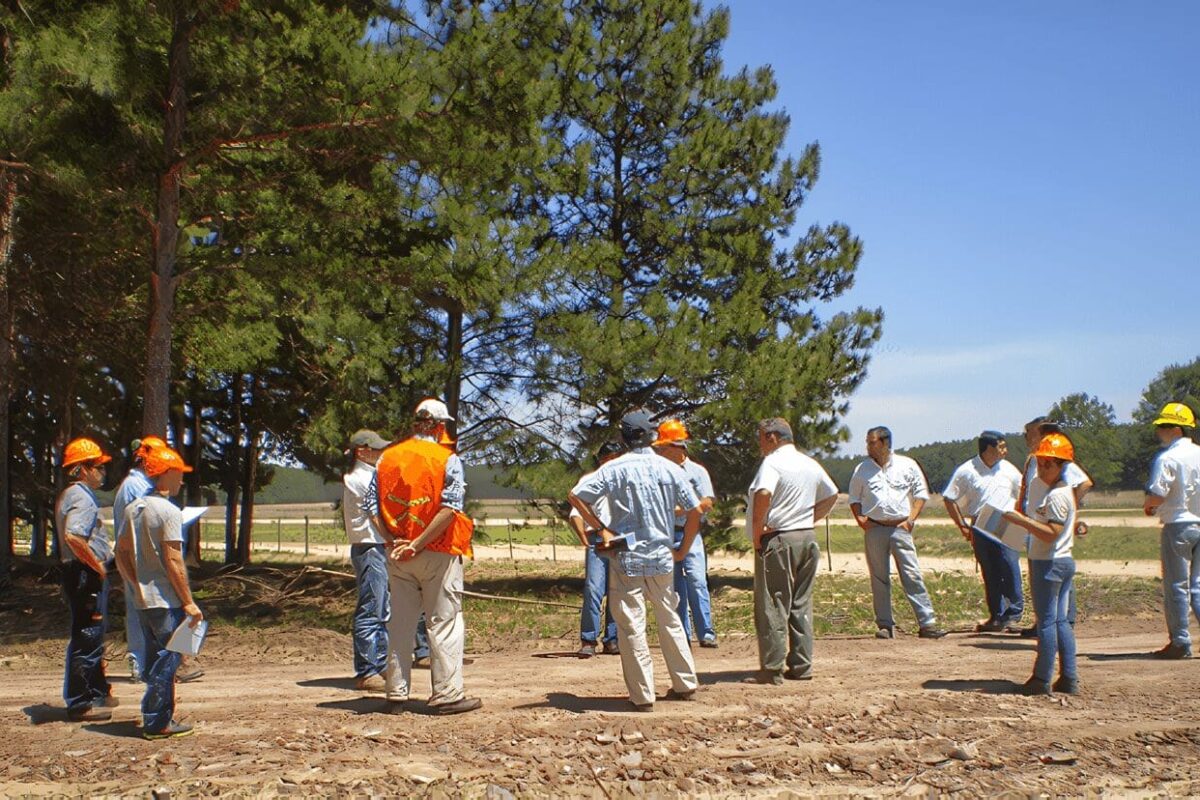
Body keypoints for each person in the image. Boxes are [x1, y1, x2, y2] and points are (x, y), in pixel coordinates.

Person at [568, 408, 702, 712]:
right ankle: (685, 682)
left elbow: (575, 495)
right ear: (651, 435)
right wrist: (682, 550)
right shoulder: (670, 468)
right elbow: (695, 510)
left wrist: (602, 528)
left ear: (624, 436)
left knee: (631, 625)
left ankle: (643, 695)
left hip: (627, 556)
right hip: (662, 555)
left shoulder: (614, 468)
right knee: (669, 618)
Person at [373, 398, 480, 715]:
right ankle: (447, 695)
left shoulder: (386, 459)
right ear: (439, 425)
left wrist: (394, 541)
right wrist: (418, 544)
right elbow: (450, 509)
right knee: (443, 623)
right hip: (437, 552)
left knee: (401, 625)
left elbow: (372, 509)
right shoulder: (447, 459)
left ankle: (396, 694)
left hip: (397, 553)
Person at [113, 444, 203, 738]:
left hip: (143, 600)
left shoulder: (133, 509)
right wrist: (188, 602)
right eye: (178, 474)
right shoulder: (168, 511)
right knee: (170, 658)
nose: (181, 480)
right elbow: (173, 560)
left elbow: (120, 552)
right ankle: (158, 721)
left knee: (155, 657)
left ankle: (156, 717)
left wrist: (132, 582)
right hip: (166, 600)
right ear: (165, 473)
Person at [744, 417, 838, 684]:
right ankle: (801, 665)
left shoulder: (772, 462)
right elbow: (831, 494)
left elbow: (763, 493)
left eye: (761, 438)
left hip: (780, 537)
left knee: (773, 603)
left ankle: (772, 668)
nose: (760, 444)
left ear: (773, 437)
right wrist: (809, 518)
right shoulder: (810, 463)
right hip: (806, 536)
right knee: (801, 603)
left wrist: (758, 529)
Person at [848, 426, 947, 639]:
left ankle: (927, 623)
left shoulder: (907, 465)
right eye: (867, 442)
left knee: (911, 574)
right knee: (879, 578)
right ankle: (885, 625)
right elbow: (854, 498)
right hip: (874, 528)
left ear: (884, 443)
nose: (868, 446)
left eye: (871, 442)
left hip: (901, 528)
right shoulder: (862, 469)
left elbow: (921, 494)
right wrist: (861, 520)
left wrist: (911, 520)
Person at [1002, 433, 1079, 695]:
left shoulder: (1058, 496)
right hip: (1058, 561)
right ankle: (1068, 677)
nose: (1043, 467)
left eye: (1049, 463)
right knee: (1059, 622)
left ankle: (1041, 678)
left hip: (1050, 562)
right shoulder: (1047, 488)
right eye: (1041, 462)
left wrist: (1020, 521)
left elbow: (1051, 532)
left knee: (1047, 622)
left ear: (1061, 466)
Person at [56, 437, 117, 722]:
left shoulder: (70, 494)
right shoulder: (81, 497)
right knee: (87, 636)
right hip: (85, 574)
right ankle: (80, 703)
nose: (102, 472)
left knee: (87, 632)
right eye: (98, 467)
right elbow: (73, 536)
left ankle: (93, 691)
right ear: (82, 469)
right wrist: (98, 567)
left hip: (77, 573)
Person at [1016, 418, 1093, 637]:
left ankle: (1063, 620)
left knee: (1056, 571)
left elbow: (1084, 483)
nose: (1026, 438)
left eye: (1029, 433)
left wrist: (1067, 512)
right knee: (1037, 575)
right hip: (1034, 524)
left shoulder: (1056, 459)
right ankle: (1042, 620)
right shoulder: (1034, 461)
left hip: (1048, 526)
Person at [943, 431, 1024, 632]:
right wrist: (962, 525)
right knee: (990, 572)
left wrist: (1020, 518)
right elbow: (949, 497)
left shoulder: (1009, 469)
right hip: (980, 523)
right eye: (1001, 447)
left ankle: (1013, 614)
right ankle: (996, 616)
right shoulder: (967, 470)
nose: (1005, 451)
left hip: (1006, 521)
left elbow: (1022, 492)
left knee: (1010, 566)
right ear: (988, 448)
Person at [652, 419, 718, 648]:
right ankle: (683, 634)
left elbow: (707, 502)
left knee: (697, 580)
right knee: (675, 587)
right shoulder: (659, 472)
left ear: (677, 447)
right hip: (666, 534)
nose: (659, 451)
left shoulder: (697, 472)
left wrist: (682, 510)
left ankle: (706, 633)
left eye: (663, 447)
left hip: (690, 532)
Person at [1142, 402, 1200, 659]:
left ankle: (1180, 642)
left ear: (1176, 429)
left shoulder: (1167, 458)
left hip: (1178, 524)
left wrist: (1148, 506)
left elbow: (1157, 494)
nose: (1159, 431)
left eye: (1163, 426)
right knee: (1198, 586)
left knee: (1177, 585)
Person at [112, 436, 167, 684]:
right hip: (139, 558)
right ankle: (146, 663)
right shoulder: (137, 487)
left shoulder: (136, 485)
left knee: (144, 609)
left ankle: (147, 662)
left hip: (139, 557)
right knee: (143, 610)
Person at [567, 440, 624, 658]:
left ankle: (612, 639)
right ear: (602, 460)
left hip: (619, 539)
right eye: (610, 458)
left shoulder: (624, 481)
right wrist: (584, 537)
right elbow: (575, 513)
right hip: (597, 539)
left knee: (616, 591)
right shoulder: (589, 480)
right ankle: (588, 638)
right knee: (594, 588)